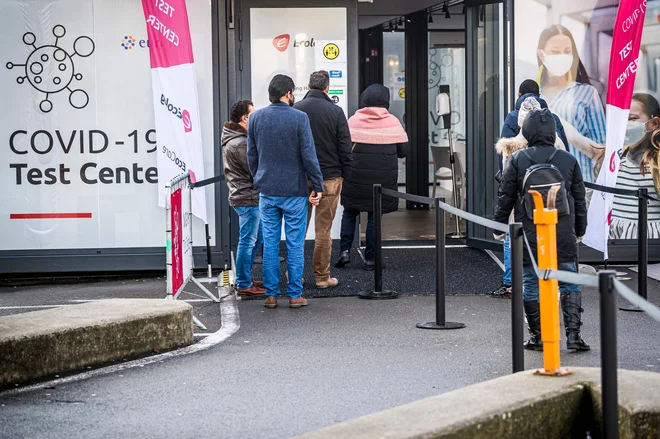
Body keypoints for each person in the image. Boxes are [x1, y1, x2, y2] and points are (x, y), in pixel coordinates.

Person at [494, 108, 590, 352]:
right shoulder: (568, 159)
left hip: (530, 230)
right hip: (563, 231)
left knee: (530, 282)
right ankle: (573, 336)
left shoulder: (518, 159)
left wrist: (499, 225)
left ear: (526, 133)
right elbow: (579, 199)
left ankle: (538, 336)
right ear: (553, 132)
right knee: (569, 281)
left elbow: (505, 196)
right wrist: (580, 230)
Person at [247, 74, 324, 309]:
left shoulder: (256, 118)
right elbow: (309, 155)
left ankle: (270, 295)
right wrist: (317, 185)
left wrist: (258, 177)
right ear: (289, 93)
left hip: (267, 190)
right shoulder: (300, 118)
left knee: (269, 244)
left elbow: (252, 155)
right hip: (294, 191)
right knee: (294, 244)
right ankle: (294, 295)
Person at [491, 96, 566, 299]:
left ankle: (512, 284)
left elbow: (507, 187)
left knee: (513, 243)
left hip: (520, 208)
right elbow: (570, 183)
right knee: (550, 244)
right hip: (552, 208)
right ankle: (553, 288)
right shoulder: (559, 146)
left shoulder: (510, 148)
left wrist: (499, 223)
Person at [335, 84, 408, 271]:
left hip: (355, 176)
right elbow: (403, 152)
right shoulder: (393, 122)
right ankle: (370, 259)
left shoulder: (353, 120)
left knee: (350, 212)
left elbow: (342, 148)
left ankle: (344, 252)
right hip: (382, 179)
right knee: (375, 217)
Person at [294, 70, 352, 289]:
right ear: (327, 88)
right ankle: (321, 277)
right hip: (329, 177)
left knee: (297, 229)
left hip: (301, 178)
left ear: (308, 85)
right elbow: (345, 148)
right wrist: (345, 174)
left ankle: (295, 276)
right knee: (323, 230)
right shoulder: (336, 111)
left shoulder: (296, 109)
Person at [536, 25, 606, 183]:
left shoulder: (587, 93)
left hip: (580, 186)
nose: (562, 56)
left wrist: (574, 137)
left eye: (567, 51)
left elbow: (602, 149)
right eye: (555, 51)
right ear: (541, 55)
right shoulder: (534, 97)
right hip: (541, 184)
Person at [222, 100, 265, 296]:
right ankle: (243, 283)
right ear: (245, 118)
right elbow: (255, 170)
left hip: (249, 197)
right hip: (247, 198)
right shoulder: (240, 143)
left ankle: (244, 277)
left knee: (257, 238)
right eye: (253, 114)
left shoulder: (238, 139)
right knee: (248, 241)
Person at [610, 93, 660, 239]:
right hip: (617, 246)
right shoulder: (615, 157)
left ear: (654, 123)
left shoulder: (657, 161)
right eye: (620, 119)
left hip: (650, 248)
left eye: (632, 119)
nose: (625, 125)